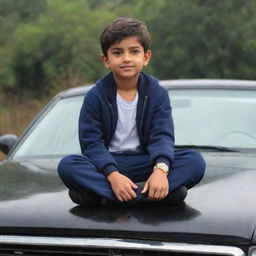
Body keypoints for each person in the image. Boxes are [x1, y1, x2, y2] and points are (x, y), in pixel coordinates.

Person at [58, 17, 205, 206]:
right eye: (118, 53)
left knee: (194, 161)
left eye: (134, 51)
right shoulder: (95, 96)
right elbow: (92, 144)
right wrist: (112, 176)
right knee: (68, 165)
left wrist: (160, 171)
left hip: (146, 163)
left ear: (146, 57)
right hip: (108, 165)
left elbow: (162, 136)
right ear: (106, 60)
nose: (126, 58)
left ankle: (109, 198)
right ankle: (149, 196)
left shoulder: (156, 93)